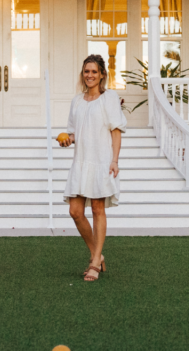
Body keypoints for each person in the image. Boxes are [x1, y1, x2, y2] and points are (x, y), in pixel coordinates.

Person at [58, 54, 126, 282]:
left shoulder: (110, 98)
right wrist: (68, 140)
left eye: (94, 72)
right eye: (86, 71)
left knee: (98, 209)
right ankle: (97, 253)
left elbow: (116, 130)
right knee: (75, 212)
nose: (90, 75)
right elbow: (74, 133)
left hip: (101, 160)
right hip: (81, 161)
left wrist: (115, 160)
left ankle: (95, 262)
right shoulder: (76, 101)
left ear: (102, 75)